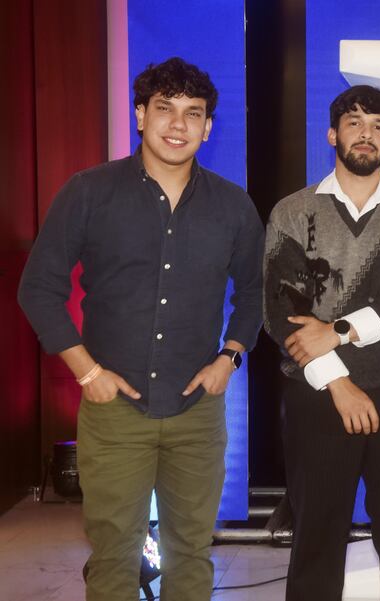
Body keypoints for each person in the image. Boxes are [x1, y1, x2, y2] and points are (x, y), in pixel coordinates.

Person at [18, 57, 264, 601]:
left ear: (207, 127)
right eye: (165, 109)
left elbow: (254, 293)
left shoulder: (233, 206)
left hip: (197, 412)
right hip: (113, 412)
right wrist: (88, 374)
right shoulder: (88, 192)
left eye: (193, 113)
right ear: (139, 115)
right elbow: (38, 289)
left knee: (192, 552)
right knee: (113, 556)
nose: (178, 125)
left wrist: (230, 357)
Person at [263, 84, 380, 601]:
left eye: (378, 127)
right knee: (316, 542)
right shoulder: (293, 213)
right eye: (354, 122)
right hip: (317, 395)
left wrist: (338, 329)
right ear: (332, 134)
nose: (366, 134)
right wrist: (339, 382)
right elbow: (282, 314)